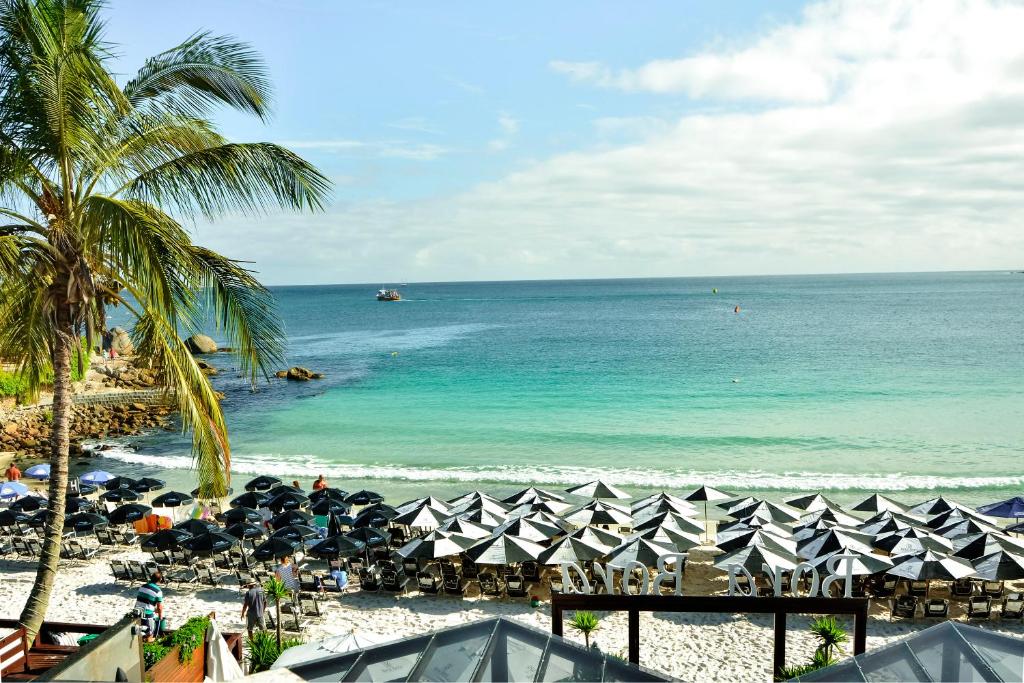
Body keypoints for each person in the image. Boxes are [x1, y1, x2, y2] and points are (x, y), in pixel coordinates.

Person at [135, 571, 164, 641]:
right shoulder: (158, 591)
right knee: (149, 634)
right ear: (160, 580)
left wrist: (154, 610)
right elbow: (159, 607)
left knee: (139, 633)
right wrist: (160, 616)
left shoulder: (142, 587)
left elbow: (144, 602)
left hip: (137, 612)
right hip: (147, 615)